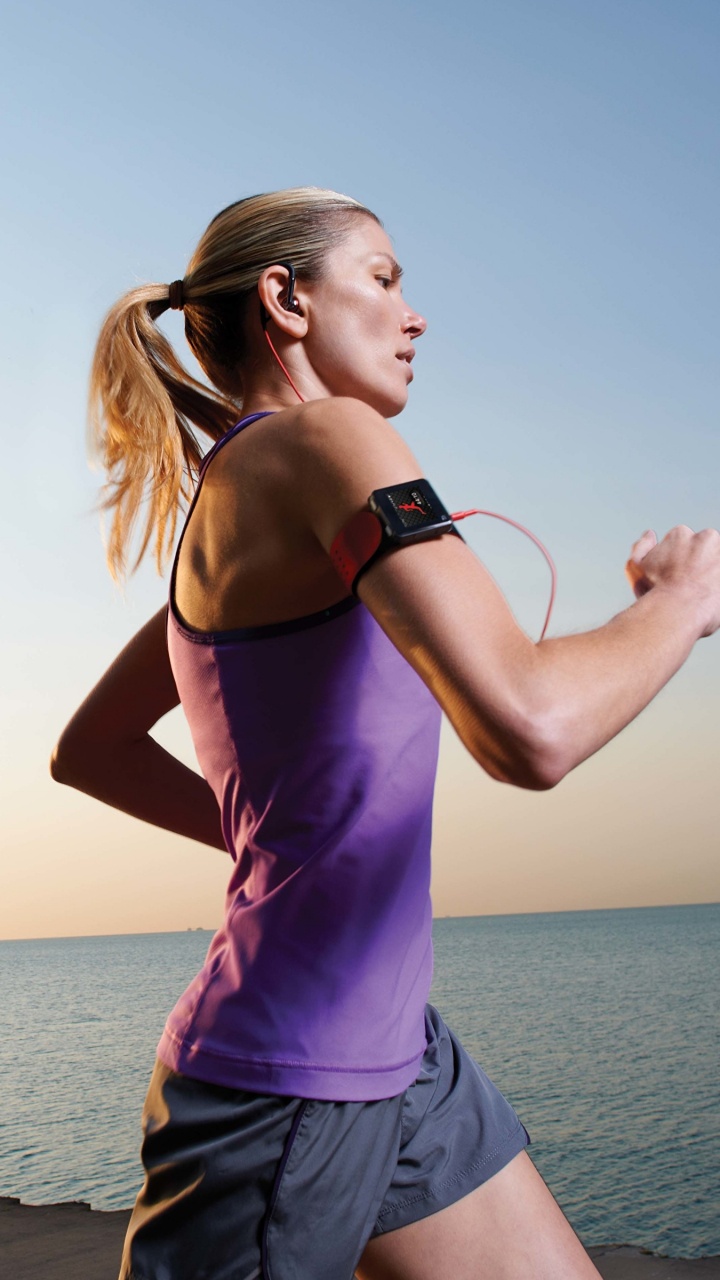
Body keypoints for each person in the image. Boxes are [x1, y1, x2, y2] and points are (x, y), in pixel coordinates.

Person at [51, 187, 720, 1280]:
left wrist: (282, 853)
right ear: (288, 298)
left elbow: (92, 747)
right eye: (384, 277)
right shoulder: (331, 438)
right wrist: (680, 604)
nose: (415, 315)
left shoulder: (238, 499)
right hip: (286, 1081)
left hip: (395, 1050)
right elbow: (531, 727)